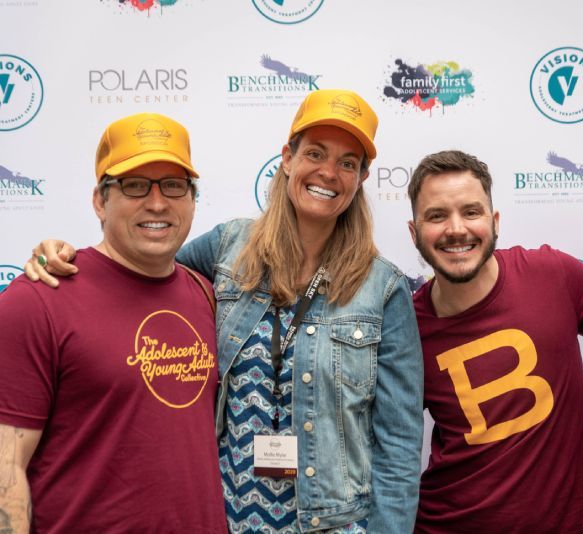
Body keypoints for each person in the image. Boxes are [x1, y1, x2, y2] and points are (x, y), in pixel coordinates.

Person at [24, 89, 424, 533]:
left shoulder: (383, 288)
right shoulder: (227, 249)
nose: (328, 172)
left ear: (362, 178)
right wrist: (61, 254)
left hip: (334, 525)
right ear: (287, 158)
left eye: (348, 163)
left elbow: (400, 443)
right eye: (315, 153)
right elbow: (141, 266)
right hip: (225, 519)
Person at [0, 112, 227, 532]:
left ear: (193, 200)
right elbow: (5, 468)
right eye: (135, 185)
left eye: (174, 186)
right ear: (100, 200)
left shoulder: (207, 295)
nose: (157, 203)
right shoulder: (38, 300)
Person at [407, 150, 583, 533]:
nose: (456, 228)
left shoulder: (552, 275)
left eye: (471, 212)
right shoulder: (407, 327)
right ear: (414, 233)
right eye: (436, 216)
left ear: (494, 222)